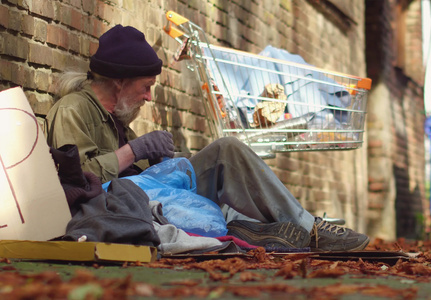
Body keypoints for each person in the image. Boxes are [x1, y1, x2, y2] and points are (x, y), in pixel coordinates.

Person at [45, 25, 370, 252]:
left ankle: (286, 227)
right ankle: (288, 229)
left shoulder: (118, 119)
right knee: (224, 151)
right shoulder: (73, 109)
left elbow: (138, 174)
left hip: (144, 199)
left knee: (226, 152)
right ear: (119, 81)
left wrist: (159, 162)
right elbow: (81, 181)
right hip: (121, 208)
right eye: (145, 86)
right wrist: (137, 149)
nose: (148, 97)